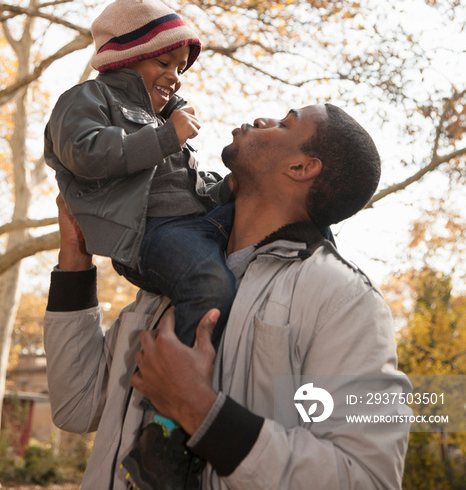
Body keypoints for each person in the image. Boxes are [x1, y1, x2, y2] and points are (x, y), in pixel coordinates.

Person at [44, 103, 410, 490]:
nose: (261, 119)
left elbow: (368, 478)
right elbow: (77, 406)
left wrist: (199, 410)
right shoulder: (176, 274)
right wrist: (75, 256)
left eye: (284, 124)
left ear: (302, 168)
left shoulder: (343, 300)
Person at [44, 0, 237, 353]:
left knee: (289, 208)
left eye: (181, 68)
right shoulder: (86, 98)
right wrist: (167, 137)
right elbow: (86, 154)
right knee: (210, 284)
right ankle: (165, 402)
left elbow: (185, 186)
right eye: (163, 63)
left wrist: (231, 188)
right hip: (150, 231)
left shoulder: (160, 119)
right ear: (124, 58)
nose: (175, 76)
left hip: (196, 219)